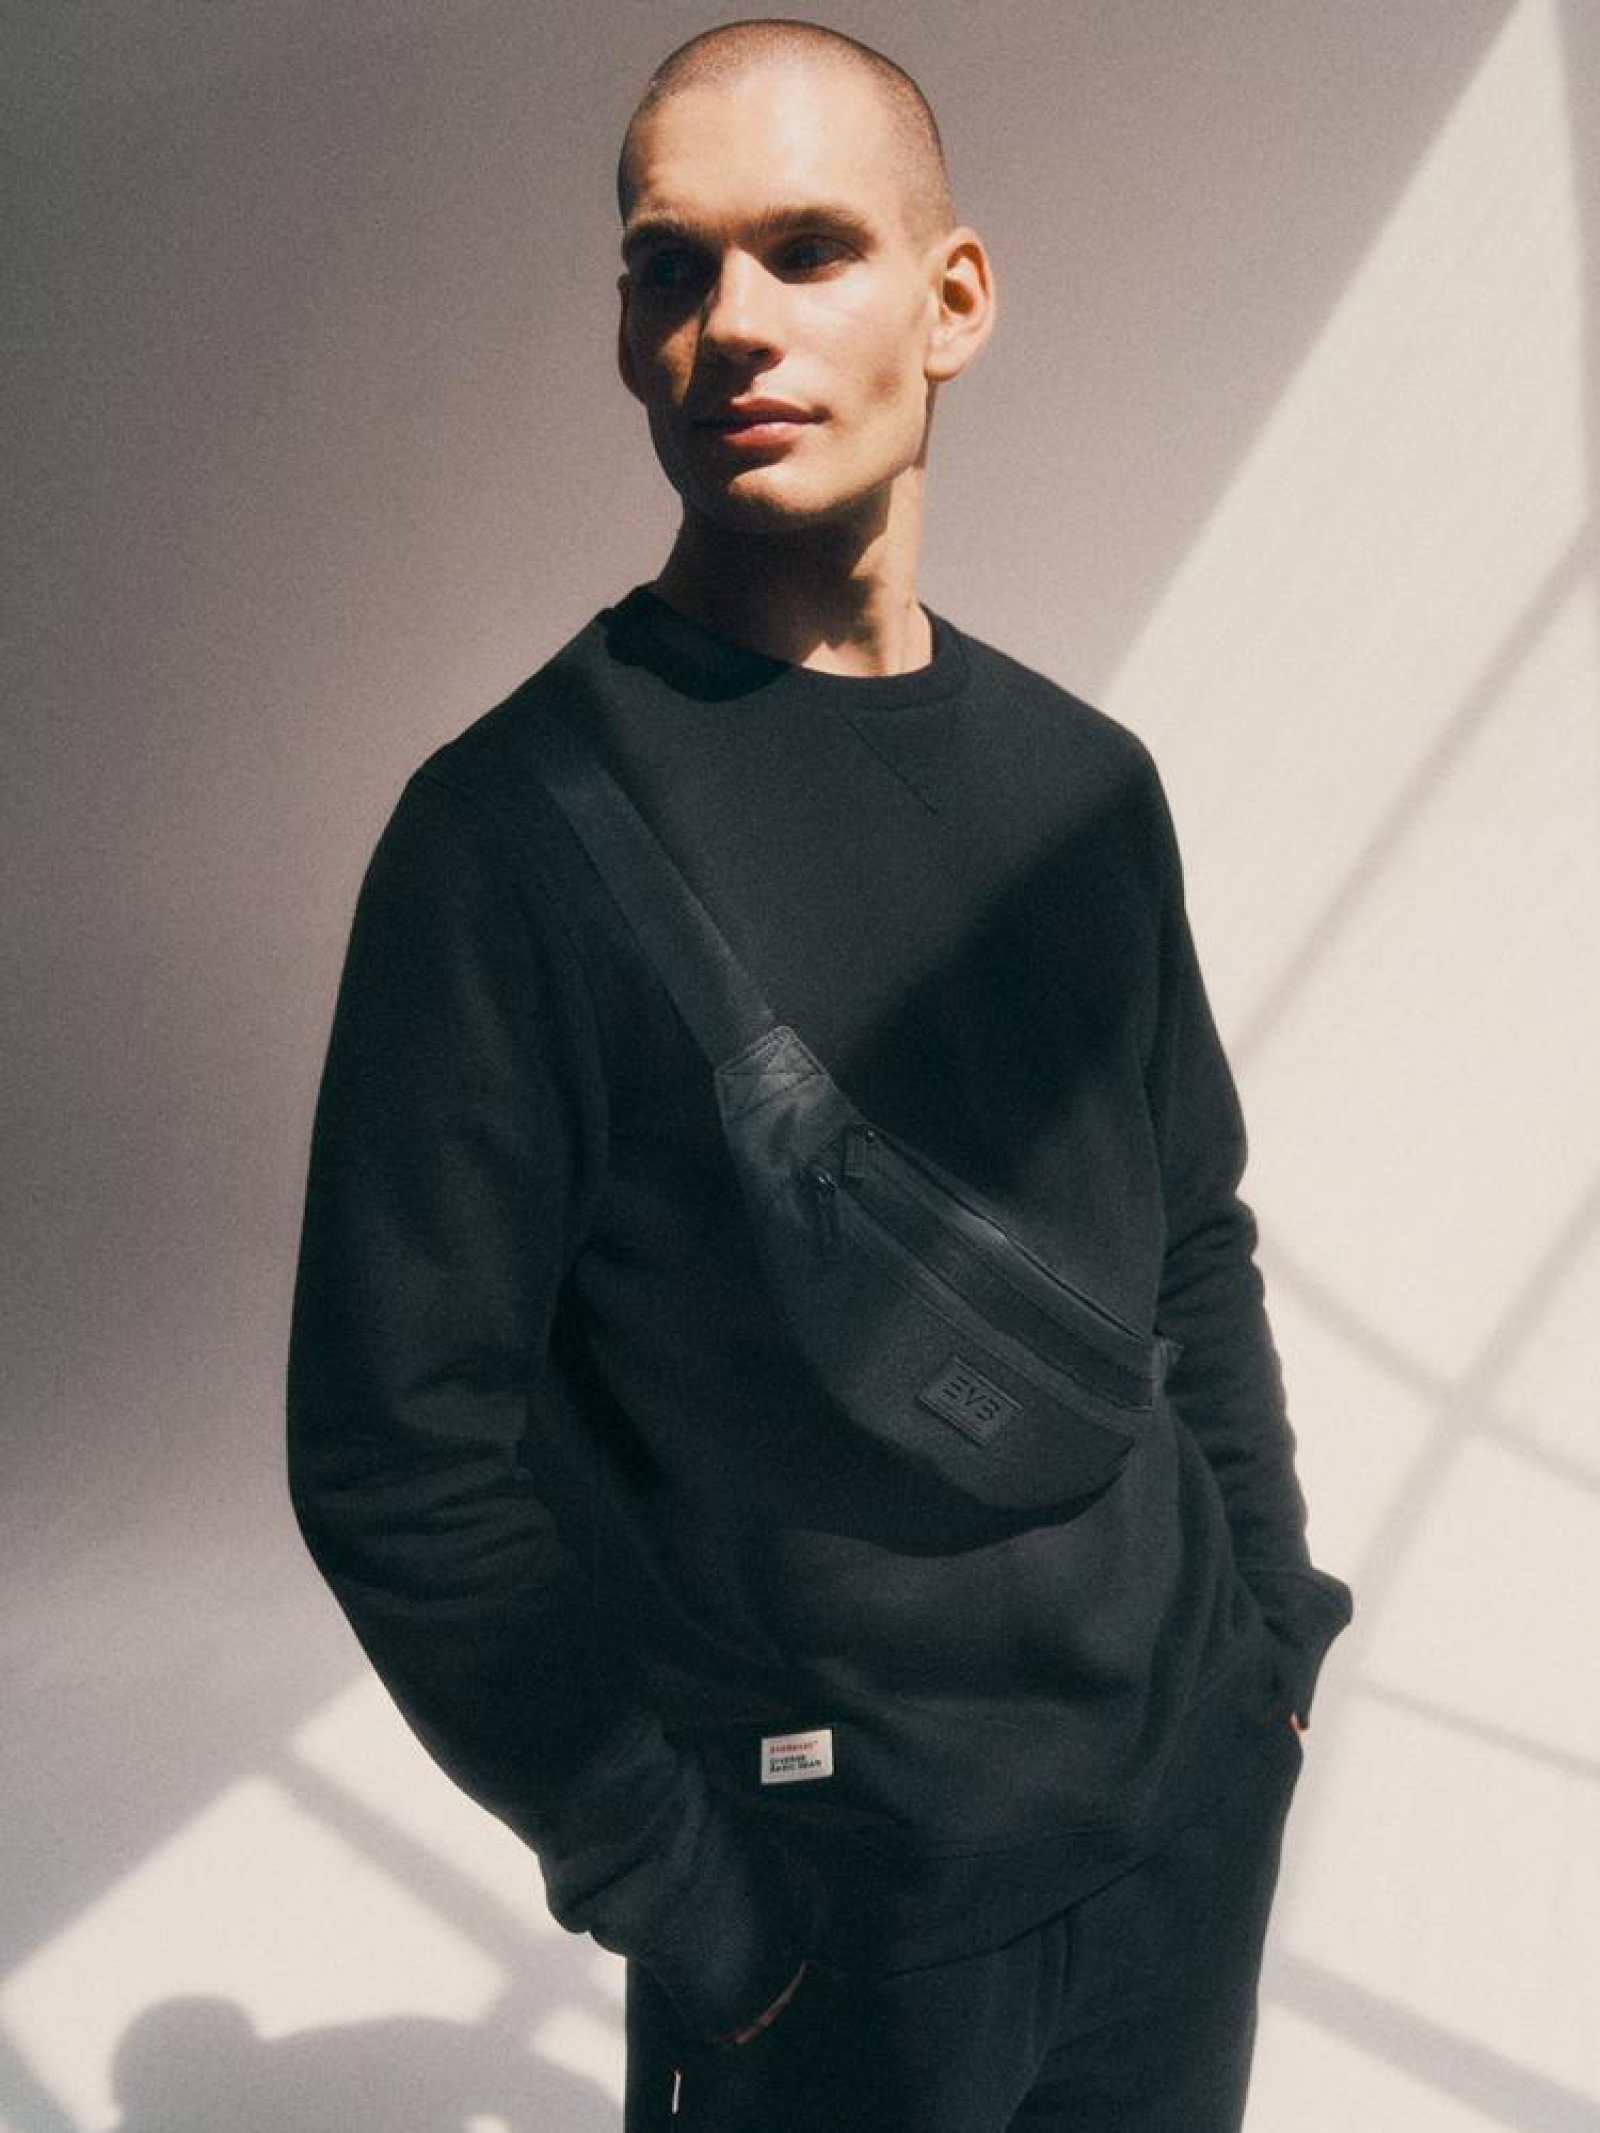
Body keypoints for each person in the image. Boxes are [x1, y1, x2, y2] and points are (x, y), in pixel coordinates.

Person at [287, 18, 1352, 2131]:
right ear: (624, 331)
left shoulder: (1084, 782)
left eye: (807, 248)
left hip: (1180, 1829)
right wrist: (706, 1916)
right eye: (669, 267)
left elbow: (1188, 1240)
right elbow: (398, 1461)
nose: (733, 324)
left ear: (952, 298)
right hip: (838, 1938)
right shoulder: (506, 836)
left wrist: (1270, 1649)